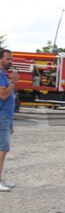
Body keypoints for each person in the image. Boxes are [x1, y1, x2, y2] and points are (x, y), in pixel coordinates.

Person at [0, 48, 19, 192]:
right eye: (7, 58)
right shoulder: (1, 75)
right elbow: (3, 95)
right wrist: (13, 82)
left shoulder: (4, 75)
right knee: (3, 148)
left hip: (6, 116)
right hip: (2, 115)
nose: (10, 61)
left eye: (11, 59)